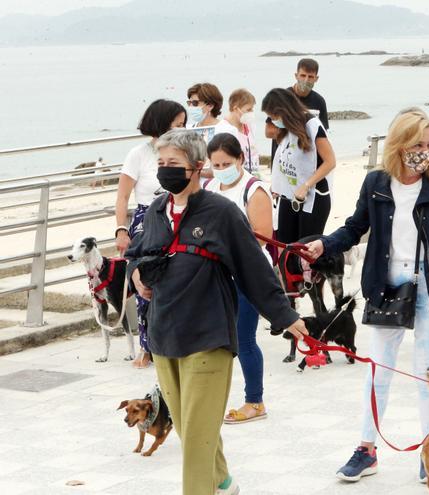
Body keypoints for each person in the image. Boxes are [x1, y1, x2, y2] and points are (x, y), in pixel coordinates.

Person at [126, 130, 308, 495]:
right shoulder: (157, 210)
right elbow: (136, 253)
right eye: (160, 164)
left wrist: (286, 316)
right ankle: (224, 482)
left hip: (208, 338)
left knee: (194, 438)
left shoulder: (222, 213)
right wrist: (136, 274)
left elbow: (253, 267)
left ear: (196, 167)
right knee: (190, 427)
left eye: (173, 164)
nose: (165, 171)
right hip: (164, 337)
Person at [300, 111, 429, 483]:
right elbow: (354, 227)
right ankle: (366, 449)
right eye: (417, 145)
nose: (424, 152)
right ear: (399, 145)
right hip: (385, 283)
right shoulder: (376, 182)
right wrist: (323, 244)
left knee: (426, 374)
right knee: (379, 369)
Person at [202, 134, 274, 425]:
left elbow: (262, 237)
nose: (221, 168)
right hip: (213, 274)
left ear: (241, 159)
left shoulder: (254, 190)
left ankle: (254, 401)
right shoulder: (208, 187)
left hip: (246, 273)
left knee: (243, 338)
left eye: (227, 163)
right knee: (213, 339)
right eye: (216, 164)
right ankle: (209, 397)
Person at [114, 99, 187, 368]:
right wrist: (121, 229)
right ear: (160, 123)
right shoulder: (139, 154)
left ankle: (176, 340)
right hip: (147, 219)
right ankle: (146, 345)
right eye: (176, 124)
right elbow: (122, 196)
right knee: (146, 282)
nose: (180, 129)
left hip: (177, 215)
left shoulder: (182, 151)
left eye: (183, 125)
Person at [263, 87, 336, 244]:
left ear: (285, 110)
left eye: (273, 115)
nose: (272, 120)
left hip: (314, 195)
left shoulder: (312, 124)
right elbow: (285, 160)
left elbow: (330, 162)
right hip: (288, 194)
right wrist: (277, 185)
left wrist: (306, 185)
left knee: (306, 251)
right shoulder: (285, 128)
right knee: (286, 247)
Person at [214, 89, 260, 175]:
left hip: (252, 176)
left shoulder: (248, 125)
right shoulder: (223, 129)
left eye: (252, 109)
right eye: (249, 109)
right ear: (235, 109)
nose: (252, 112)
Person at [291, 58, 329, 129]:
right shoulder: (282, 98)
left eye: (310, 77)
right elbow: (269, 131)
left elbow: (323, 132)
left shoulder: (319, 101)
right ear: (296, 76)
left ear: (316, 79)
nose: (306, 80)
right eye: (303, 75)